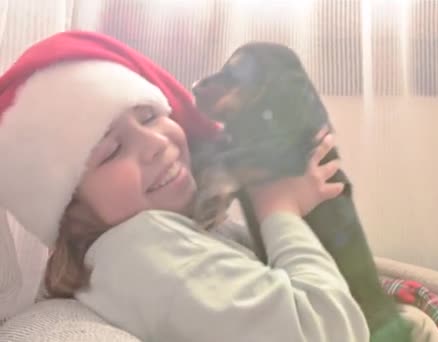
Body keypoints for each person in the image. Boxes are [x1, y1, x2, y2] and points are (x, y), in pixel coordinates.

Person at [0, 31, 369, 342]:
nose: (156, 143)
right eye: (112, 151)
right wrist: (280, 210)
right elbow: (328, 331)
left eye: (150, 116)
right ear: (71, 213)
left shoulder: (151, 239)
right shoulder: (141, 247)